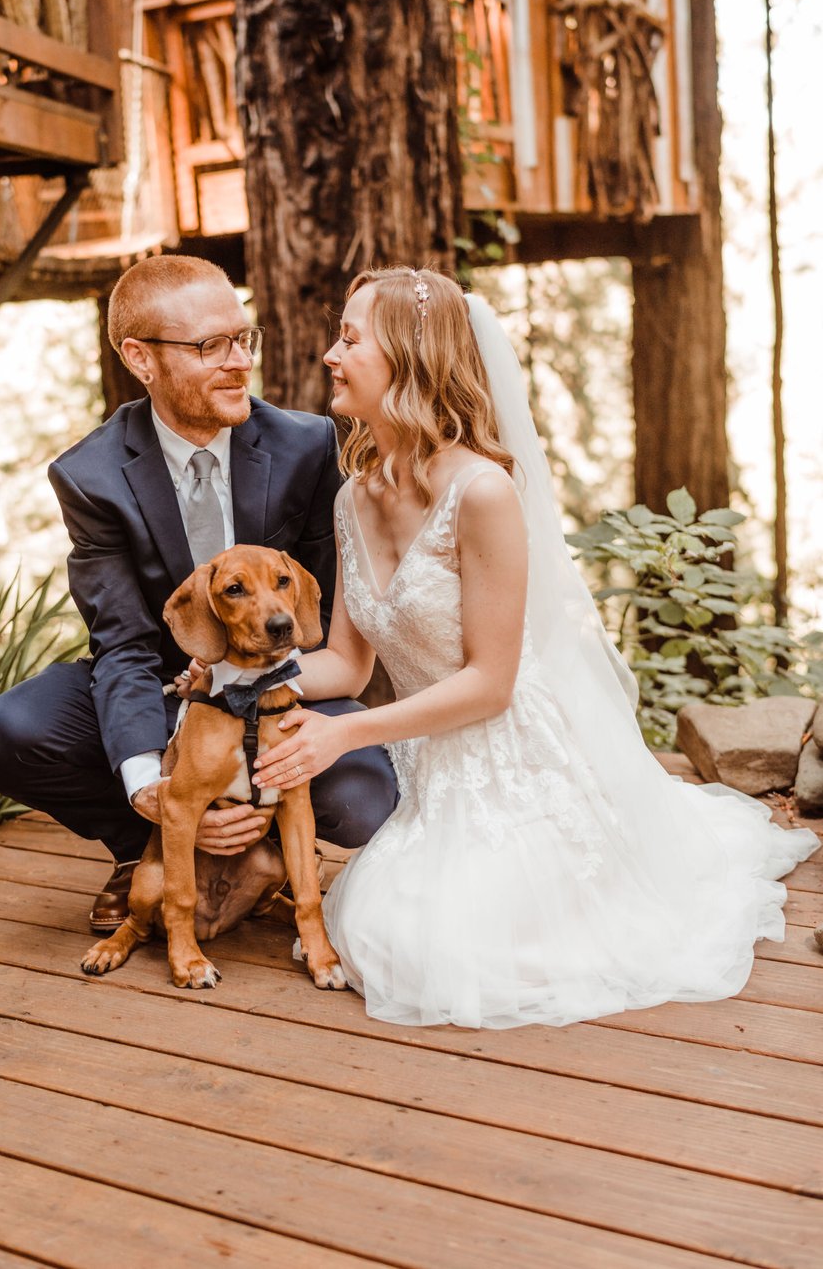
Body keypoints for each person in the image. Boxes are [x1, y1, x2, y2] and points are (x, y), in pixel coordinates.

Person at [251, 266, 819, 1029]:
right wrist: (245, 676)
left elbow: (491, 684)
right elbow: (349, 664)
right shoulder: (355, 494)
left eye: (350, 339)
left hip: (515, 763)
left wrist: (344, 731)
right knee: (385, 938)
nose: (330, 354)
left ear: (410, 357)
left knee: (447, 953)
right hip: (431, 776)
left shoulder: (481, 493)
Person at [0, 255, 397, 932]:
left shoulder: (306, 445)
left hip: (285, 678)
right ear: (141, 358)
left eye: (242, 338)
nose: (238, 362)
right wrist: (153, 789)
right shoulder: (91, 476)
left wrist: (264, 698)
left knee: (364, 797)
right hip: (168, 685)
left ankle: (264, 854)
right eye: (209, 346)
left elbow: (316, 617)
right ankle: (144, 848)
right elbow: (123, 642)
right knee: (11, 732)